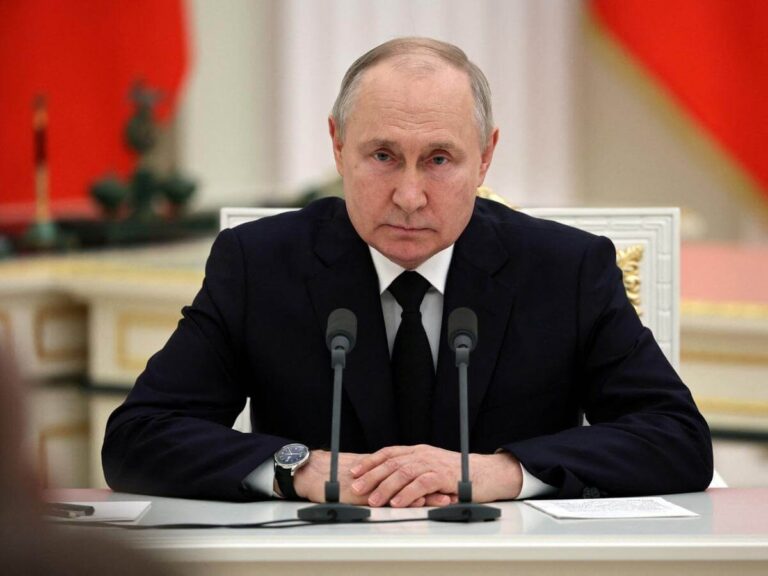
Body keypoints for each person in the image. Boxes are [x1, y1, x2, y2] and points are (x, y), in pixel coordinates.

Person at [102, 37, 713, 506]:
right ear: (339, 147)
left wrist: (500, 472)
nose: (410, 196)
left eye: (440, 159)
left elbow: (677, 439)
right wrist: (300, 467)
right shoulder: (259, 263)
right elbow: (139, 437)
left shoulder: (567, 269)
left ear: (486, 157)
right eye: (383, 156)